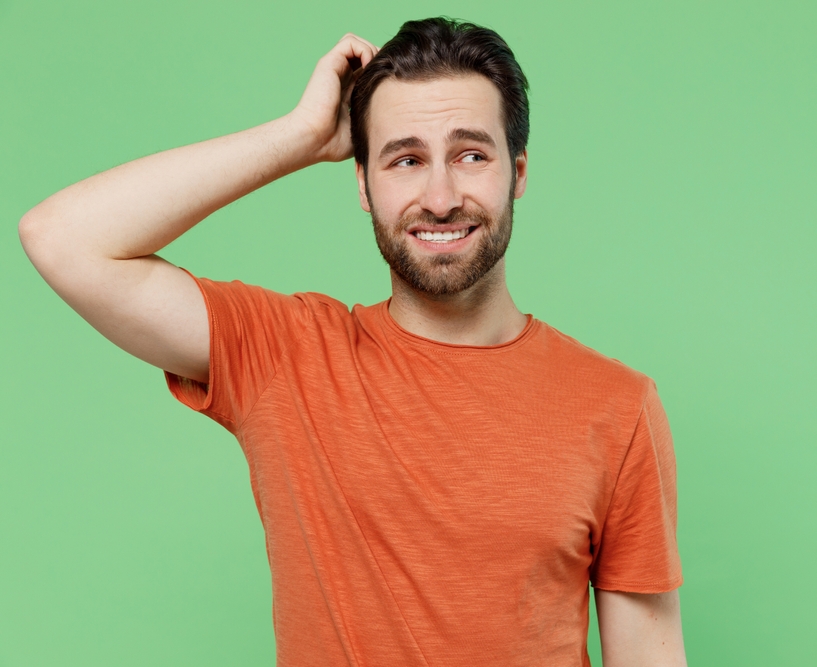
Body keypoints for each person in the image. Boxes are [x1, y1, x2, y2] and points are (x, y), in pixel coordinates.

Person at [19, 17, 686, 667]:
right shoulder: (287, 355)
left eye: (471, 155)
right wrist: (300, 136)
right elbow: (61, 238)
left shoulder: (617, 407)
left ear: (519, 172)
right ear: (363, 183)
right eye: (405, 160)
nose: (441, 197)